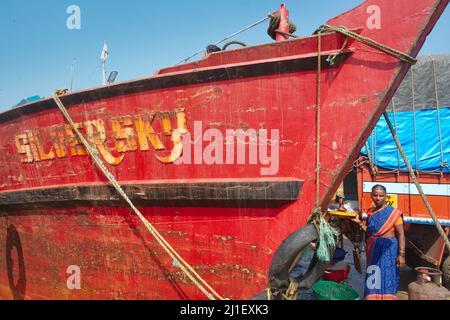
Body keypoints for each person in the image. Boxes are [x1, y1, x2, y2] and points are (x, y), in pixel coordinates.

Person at [353, 184, 406, 300]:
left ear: (386, 197)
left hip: (389, 249)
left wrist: (401, 255)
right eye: (375, 195)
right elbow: (372, 232)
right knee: (373, 274)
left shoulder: (393, 213)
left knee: (388, 275)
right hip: (374, 249)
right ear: (371, 196)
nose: (378, 198)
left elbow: (401, 234)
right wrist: (360, 224)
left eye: (381, 196)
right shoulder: (371, 212)